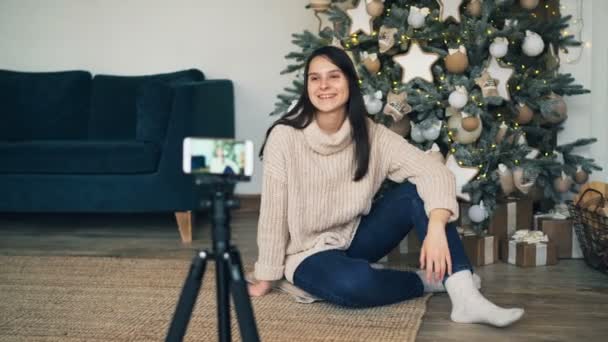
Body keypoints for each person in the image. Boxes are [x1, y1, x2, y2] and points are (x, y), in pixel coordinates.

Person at [248, 46, 524, 327]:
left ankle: (466, 298)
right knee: (353, 286)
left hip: (355, 237)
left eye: (334, 76)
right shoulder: (284, 137)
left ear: (349, 83)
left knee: (416, 193)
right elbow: (273, 212)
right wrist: (267, 275)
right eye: (314, 78)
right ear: (307, 86)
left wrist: (438, 226)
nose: (324, 86)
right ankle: (425, 280)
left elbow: (433, 172)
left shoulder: (372, 135)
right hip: (306, 252)